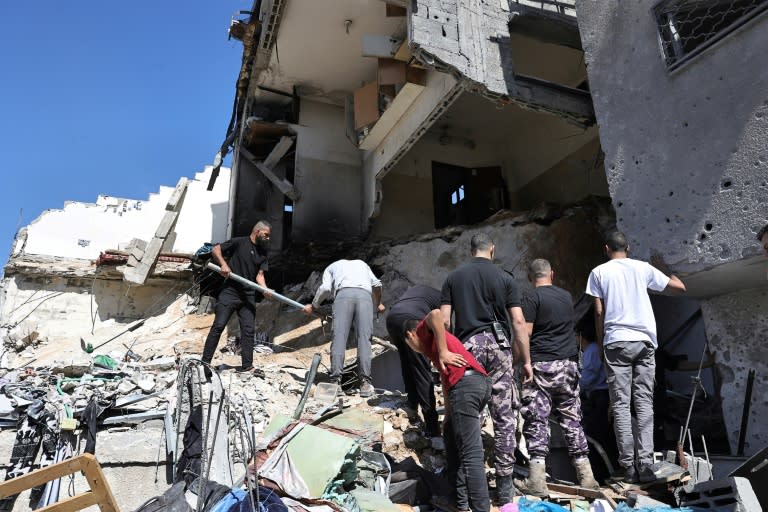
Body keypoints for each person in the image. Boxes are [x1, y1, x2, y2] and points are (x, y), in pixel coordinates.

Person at [585, 231, 686, 483]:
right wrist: (664, 269)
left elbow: (599, 312)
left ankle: (628, 467)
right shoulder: (643, 268)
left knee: (620, 405)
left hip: (616, 342)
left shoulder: (599, 272)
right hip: (644, 342)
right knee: (644, 403)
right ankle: (646, 463)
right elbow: (679, 287)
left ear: (606, 248)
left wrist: (600, 344)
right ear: (628, 247)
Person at [440, 233, 532, 504]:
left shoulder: (453, 278)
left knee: (470, 418)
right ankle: (504, 489)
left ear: (471, 251)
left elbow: (445, 322)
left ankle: (470, 487)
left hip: (468, 351)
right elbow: (517, 321)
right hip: (500, 347)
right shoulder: (505, 278)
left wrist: (446, 355)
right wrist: (525, 359)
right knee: (504, 417)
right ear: (492, 249)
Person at [516, 259, 598, 495]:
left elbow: (526, 333)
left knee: (536, 419)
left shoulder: (530, 298)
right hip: (569, 365)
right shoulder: (565, 297)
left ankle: (537, 481)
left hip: (542, 366)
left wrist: (522, 362)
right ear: (552, 273)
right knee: (572, 419)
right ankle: (587, 477)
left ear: (530, 277)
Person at [404, 310, 491, 512]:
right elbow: (446, 382)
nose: (413, 349)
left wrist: (443, 350)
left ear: (410, 336)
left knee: (471, 453)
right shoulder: (432, 349)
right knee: (452, 440)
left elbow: (435, 314)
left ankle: (480, 508)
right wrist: (449, 415)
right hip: (472, 385)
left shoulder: (425, 334)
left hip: (467, 385)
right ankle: (459, 503)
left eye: (409, 345)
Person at [302, 259, 385, 398]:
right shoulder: (362, 264)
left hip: (343, 296)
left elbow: (326, 288)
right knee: (365, 339)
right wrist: (379, 303)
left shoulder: (330, 267)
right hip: (365, 297)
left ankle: (335, 382)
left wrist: (314, 305)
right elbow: (377, 284)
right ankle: (365, 384)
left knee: (339, 338)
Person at [201, 221, 273, 376]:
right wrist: (223, 265)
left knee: (248, 330)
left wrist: (265, 289)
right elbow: (215, 249)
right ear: (258, 231)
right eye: (266, 235)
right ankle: (205, 362)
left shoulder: (263, 253)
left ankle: (247, 366)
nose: (268, 238)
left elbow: (259, 275)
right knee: (219, 326)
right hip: (230, 291)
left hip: (248, 295)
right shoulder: (239, 242)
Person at [386, 285, 442, 436]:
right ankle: (432, 425)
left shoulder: (419, 291)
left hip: (392, 319)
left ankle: (412, 403)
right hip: (411, 320)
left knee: (407, 360)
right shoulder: (445, 299)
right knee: (422, 370)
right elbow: (445, 326)